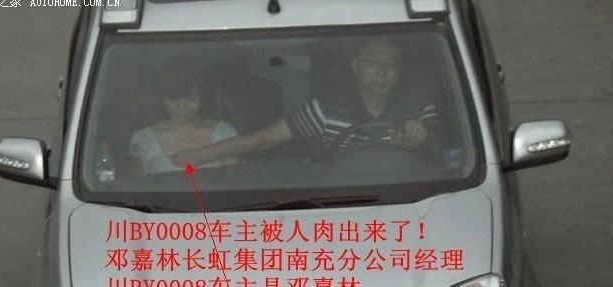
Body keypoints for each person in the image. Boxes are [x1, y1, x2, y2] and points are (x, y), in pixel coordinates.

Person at [171, 36, 439, 168]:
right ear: (356, 66)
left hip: (410, 201)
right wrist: (195, 157)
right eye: (373, 61)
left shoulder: (419, 106)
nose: (382, 71)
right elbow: (265, 138)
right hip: (345, 202)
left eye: (391, 63)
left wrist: (424, 136)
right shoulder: (328, 108)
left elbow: (448, 156)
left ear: (401, 70)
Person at [130, 67, 237, 174]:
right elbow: (136, 182)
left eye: (190, 99)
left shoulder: (223, 133)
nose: (182, 107)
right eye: (174, 100)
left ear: (202, 98)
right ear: (162, 100)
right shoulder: (144, 139)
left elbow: (234, 179)